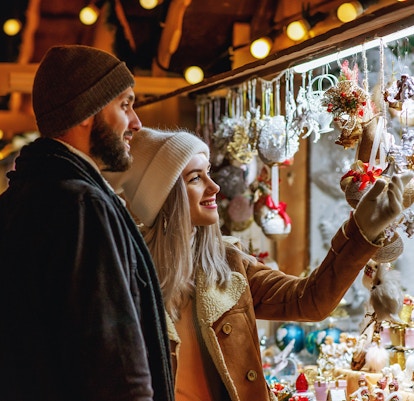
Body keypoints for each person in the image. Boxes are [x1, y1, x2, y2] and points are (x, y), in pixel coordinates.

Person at [103, 127, 413, 401]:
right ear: (163, 196)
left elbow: (309, 301)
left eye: (209, 172)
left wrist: (361, 231)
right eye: (196, 178)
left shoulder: (228, 263)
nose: (214, 187)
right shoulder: (127, 277)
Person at [0, 46, 175, 401]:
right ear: (87, 111)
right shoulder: (84, 206)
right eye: (125, 105)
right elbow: (117, 365)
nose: (136, 123)